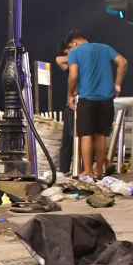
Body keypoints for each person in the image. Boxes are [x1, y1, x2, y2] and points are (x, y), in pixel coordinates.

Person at [66, 30, 128, 180]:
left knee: (86, 135)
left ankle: (88, 171)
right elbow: (123, 62)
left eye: (69, 47)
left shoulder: (75, 52)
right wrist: (118, 85)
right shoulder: (105, 48)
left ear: (74, 43)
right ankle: (99, 171)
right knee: (101, 135)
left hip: (87, 98)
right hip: (106, 99)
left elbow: (73, 75)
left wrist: (71, 94)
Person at [55, 42, 75, 176]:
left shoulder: (83, 66)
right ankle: (63, 170)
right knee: (67, 140)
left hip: (81, 103)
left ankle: (82, 169)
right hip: (70, 106)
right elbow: (58, 60)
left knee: (79, 139)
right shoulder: (71, 65)